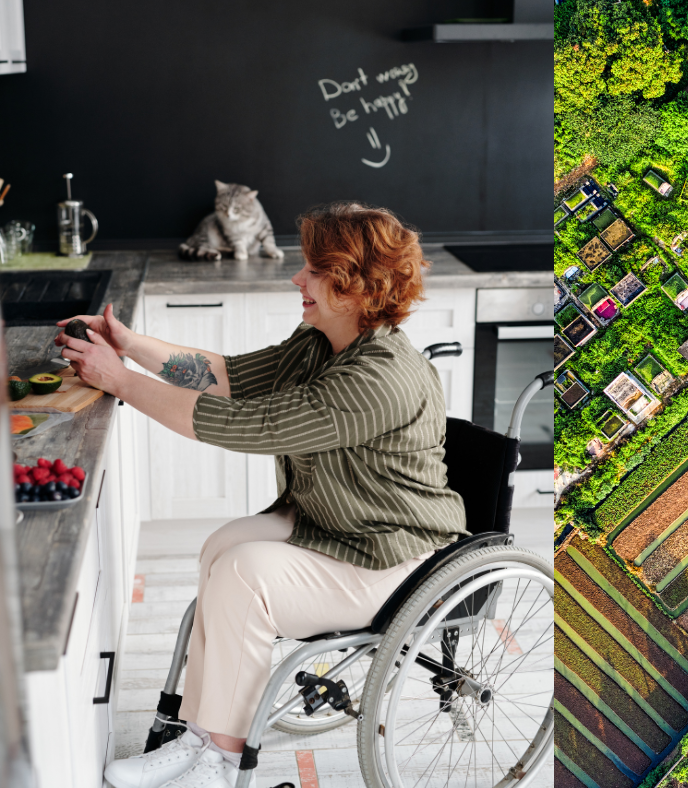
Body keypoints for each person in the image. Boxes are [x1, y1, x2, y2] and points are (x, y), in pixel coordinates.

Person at [57, 203, 469, 788]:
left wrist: (119, 380)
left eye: (313, 271)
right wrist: (129, 344)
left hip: (391, 554)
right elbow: (229, 376)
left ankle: (223, 763)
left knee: (245, 573)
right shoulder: (321, 339)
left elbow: (241, 425)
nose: (296, 279)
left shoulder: (378, 378)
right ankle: (200, 736)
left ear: (354, 284)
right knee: (222, 547)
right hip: (337, 521)